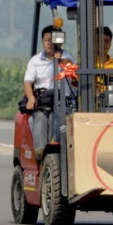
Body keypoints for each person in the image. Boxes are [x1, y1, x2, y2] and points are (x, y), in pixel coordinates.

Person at [23, 25, 76, 161]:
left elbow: (70, 65)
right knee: (40, 118)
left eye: (53, 40)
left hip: (61, 101)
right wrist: (30, 98)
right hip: (42, 101)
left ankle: (57, 150)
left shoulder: (66, 57)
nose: (50, 44)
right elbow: (28, 82)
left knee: (55, 119)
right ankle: (40, 151)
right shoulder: (35, 61)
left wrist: (59, 60)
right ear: (42, 41)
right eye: (47, 40)